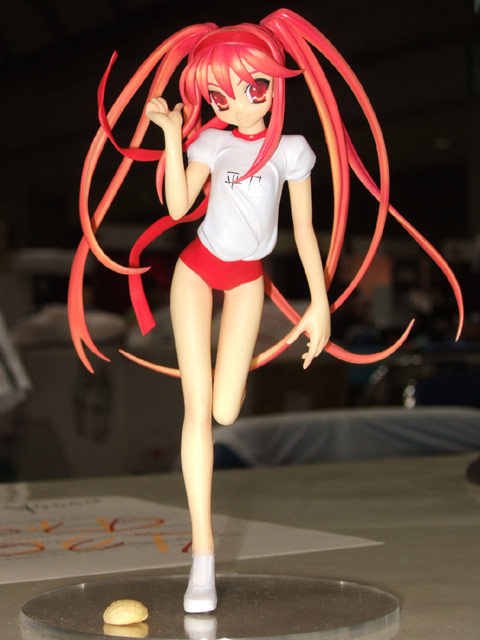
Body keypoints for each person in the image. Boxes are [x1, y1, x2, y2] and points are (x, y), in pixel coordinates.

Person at [68, 9, 463, 613]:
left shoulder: (293, 151)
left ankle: (205, 549)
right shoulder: (212, 141)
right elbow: (177, 206)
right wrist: (172, 134)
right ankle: (203, 559)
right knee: (198, 410)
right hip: (197, 271)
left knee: (226, 409)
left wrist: (320, 306)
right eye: (219, 95)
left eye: (253, 86)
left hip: (248, 280)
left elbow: (304, 233)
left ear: (277, 82)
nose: (238, 103)